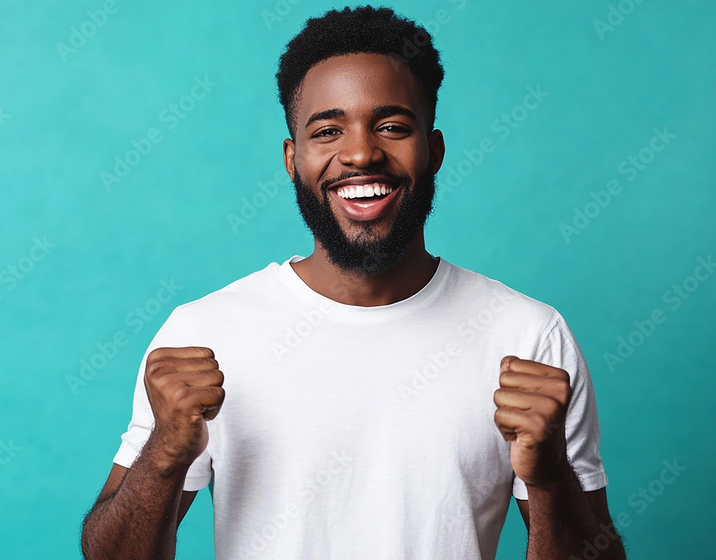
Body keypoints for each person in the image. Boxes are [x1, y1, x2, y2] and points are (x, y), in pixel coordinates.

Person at [80, 6, 626, 559]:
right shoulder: (203, 333)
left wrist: (552, 478)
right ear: (293, 160)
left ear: (434, 152)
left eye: (391, 126)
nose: (361, 153)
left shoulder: (528, 336)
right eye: (328, 130)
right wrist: (165, 454)